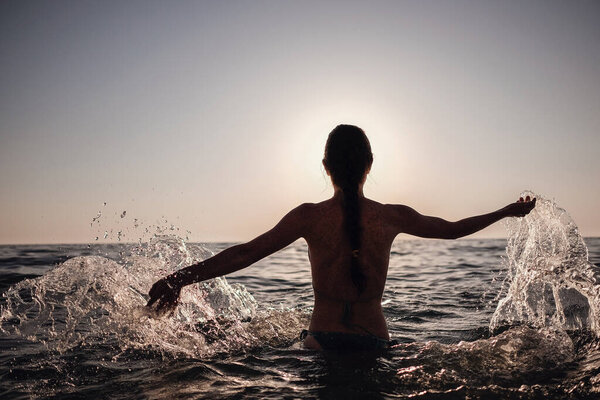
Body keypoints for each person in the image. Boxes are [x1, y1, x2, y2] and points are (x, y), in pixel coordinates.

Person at [147, 124, 536, 351]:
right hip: (377, 346)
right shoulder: (391, 217)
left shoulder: (309, 217)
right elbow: (453, 230)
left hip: (320, 343)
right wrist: (505, 211)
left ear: (325, 167)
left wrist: (179, 278)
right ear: (369, 166)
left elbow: (247, 253)